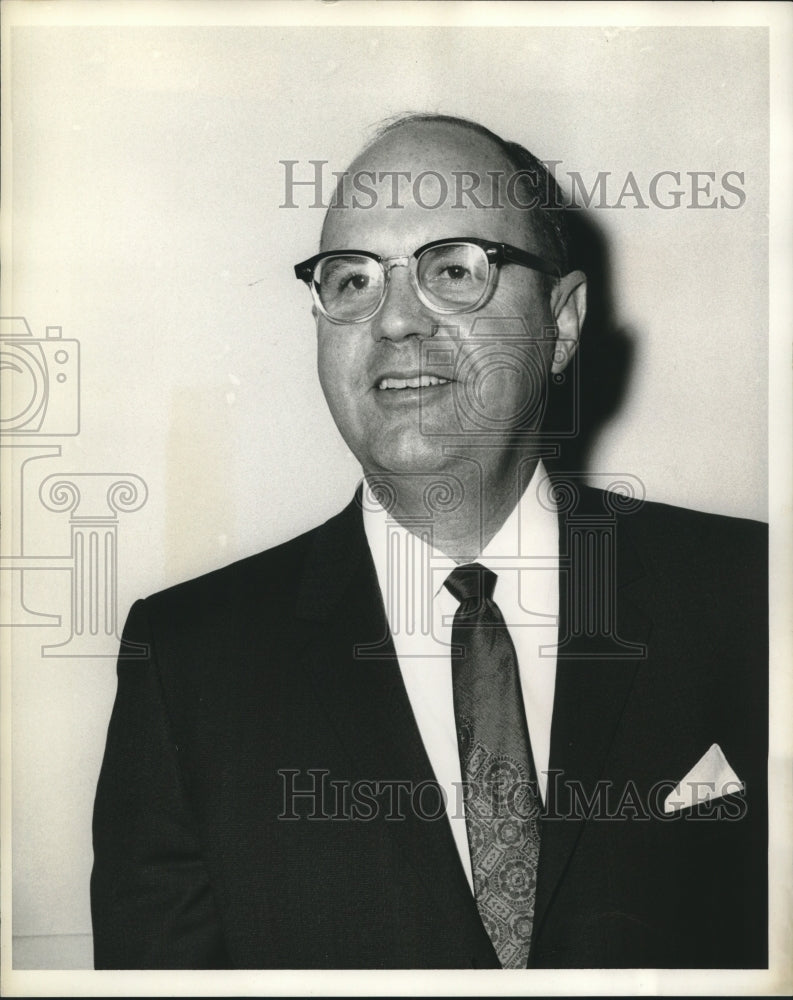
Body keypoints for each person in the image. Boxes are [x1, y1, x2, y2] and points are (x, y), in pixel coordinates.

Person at [90, 114, 767, 970]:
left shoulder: (753, 596)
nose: (397, 322)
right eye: (351, 281)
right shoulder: (188, 665)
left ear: (561, 323)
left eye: (453, 269)